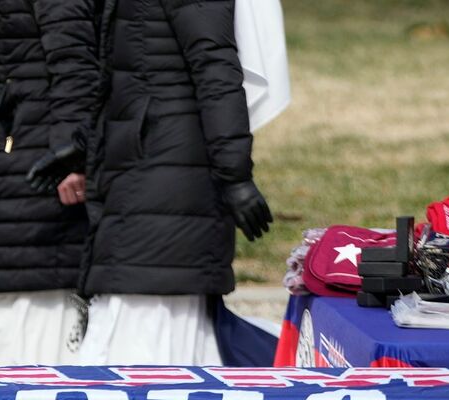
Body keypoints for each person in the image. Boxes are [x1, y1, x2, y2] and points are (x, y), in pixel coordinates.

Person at [30, 0, 274, 365]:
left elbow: (216, 71)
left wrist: (235, 175)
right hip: (142, 175)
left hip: (169, 180)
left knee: (149, 340)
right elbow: (132, 76)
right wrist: (84, 145)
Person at [0, 0, 101, 365]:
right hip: (4, 147)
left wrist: (74, 156)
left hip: (40, 155)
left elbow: (76, 64)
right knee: (1, 274)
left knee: (32, 282)